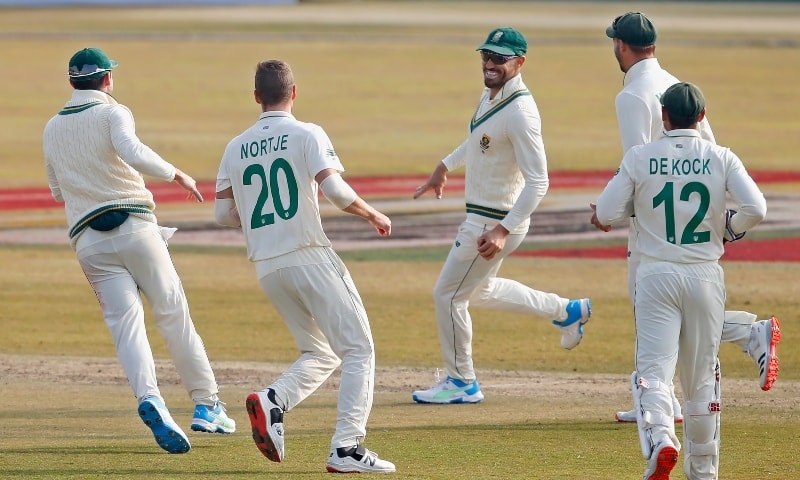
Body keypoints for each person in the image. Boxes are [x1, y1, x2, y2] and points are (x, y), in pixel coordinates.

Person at [42, 47, 235, 454]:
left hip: (89, 242)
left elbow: (58, 191)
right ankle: (207, 405)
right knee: (173, 315)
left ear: (72, 81)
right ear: (107, 79)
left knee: (125, 326)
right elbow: (131, 150)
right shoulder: (113, 111)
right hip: (135, 226)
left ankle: (151, 399)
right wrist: (176, 173)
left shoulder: (50, 128)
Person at [594, 12, 781, 424]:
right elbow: (707, 148)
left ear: (621, 46)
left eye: (615, 44)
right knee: (683, 305)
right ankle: (740, 344)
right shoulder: (676, 84)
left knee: (653, 304)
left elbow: (635, 163)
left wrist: (609, 209)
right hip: (696, 223)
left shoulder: (630, 96)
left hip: (654, 220)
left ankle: (665, 398)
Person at [214, 59, 395, 474]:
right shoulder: (307, 133)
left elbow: (222, 215)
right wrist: (371, 214)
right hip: (309, 255)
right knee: (359, 350)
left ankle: (274, 399)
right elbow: (333, 187)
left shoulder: (235, 146)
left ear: (257, 97)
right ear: (294, 93)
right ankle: (347, 448)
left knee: (320, 351)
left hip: (266, 265)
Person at [595, 81, 767, 480]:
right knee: (701, 379)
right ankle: (703, 471)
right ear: (702, 118)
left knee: (654, 372)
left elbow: (605, 211)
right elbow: (755, 207)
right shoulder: (721, 156)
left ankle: (661, 440)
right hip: (706, 275)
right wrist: (729, 227)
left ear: (664, 117)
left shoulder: (641, 156)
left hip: (655, 274)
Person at [411, 27, 591, 405]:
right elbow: (478, 139)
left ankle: (462, 382)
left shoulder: (522, 113)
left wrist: (502, 230)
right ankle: (567, 310)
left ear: (520, 62)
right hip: (488, 218)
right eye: (486, 56)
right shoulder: (492, 94)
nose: (490, 64)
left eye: (500, 58)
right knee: (482, 290)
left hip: (491, 222)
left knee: (448, 296)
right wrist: (445, 165)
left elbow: (539, 181)